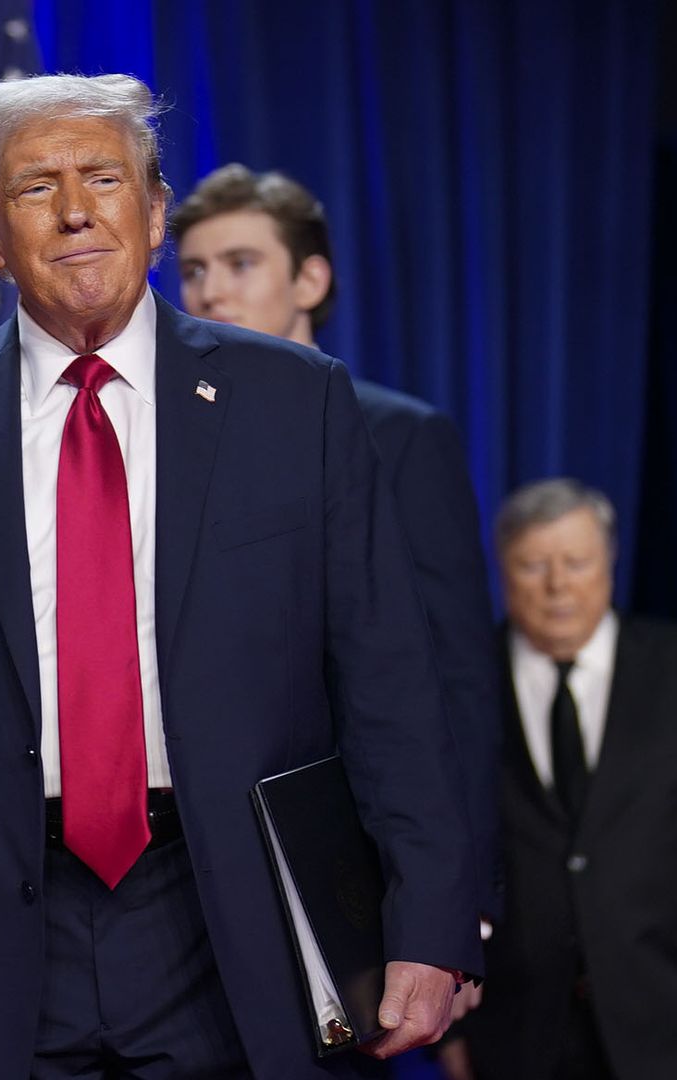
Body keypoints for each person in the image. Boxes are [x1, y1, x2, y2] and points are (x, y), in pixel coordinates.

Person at [0, 73, 479, 1079]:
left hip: (235, 924)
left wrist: (431, 920)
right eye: (36, 187)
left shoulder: (295, 401)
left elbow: (389, 677)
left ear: (156, 211)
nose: (77, 211)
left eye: (103, 178)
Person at [170, 164, 503, 971]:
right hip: (186, 858)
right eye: (195, 270)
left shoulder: (399, 436)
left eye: (241, 263)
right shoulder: (159, 439)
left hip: (347, 844)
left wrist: (456, 904)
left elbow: (454, 681)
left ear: (311, 280)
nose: (213, 291)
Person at [463, 478, 677, 1080]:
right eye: (534, 565)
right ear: (501, 569)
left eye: (576, 562)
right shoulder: (461, 682)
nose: (558, 585)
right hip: (515, 1032)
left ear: (610, 563)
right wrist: (450, 1026)